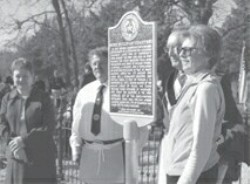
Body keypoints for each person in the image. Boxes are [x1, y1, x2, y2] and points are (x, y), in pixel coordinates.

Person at [164, 25, 225, 183]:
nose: (181, 54)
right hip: (180, 170)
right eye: (181, 49)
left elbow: (200, 148)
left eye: (188, 50)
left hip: (192, 175)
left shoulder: (206, 89)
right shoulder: (194, 84)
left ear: (207, 53)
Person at [70, 47, 125, 184]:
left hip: (115, 154)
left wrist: (132, 153)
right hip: (89, 154)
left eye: (102, 63)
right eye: (94, 64)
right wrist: (76, 149)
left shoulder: (123, 90)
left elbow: (139, 127)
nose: (97, 67)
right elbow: (76, 124)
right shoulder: (84, 92)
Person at [0, 58, 57, 184]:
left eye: (25, 76)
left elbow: (49, 126)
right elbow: (2, 124)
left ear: (33, 77)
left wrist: (24, 140)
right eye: (17, 76)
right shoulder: (7, 99)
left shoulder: (44, 98)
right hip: (16, 157)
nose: (21, 80)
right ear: (13, 77)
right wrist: (15, 146)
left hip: (40, 155)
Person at [157, 27, 189, 184]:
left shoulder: (211, 80)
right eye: (167, 48)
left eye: (175, 47)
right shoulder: (169, 78)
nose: (170, 53)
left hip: (192, 155)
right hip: (169, 149)